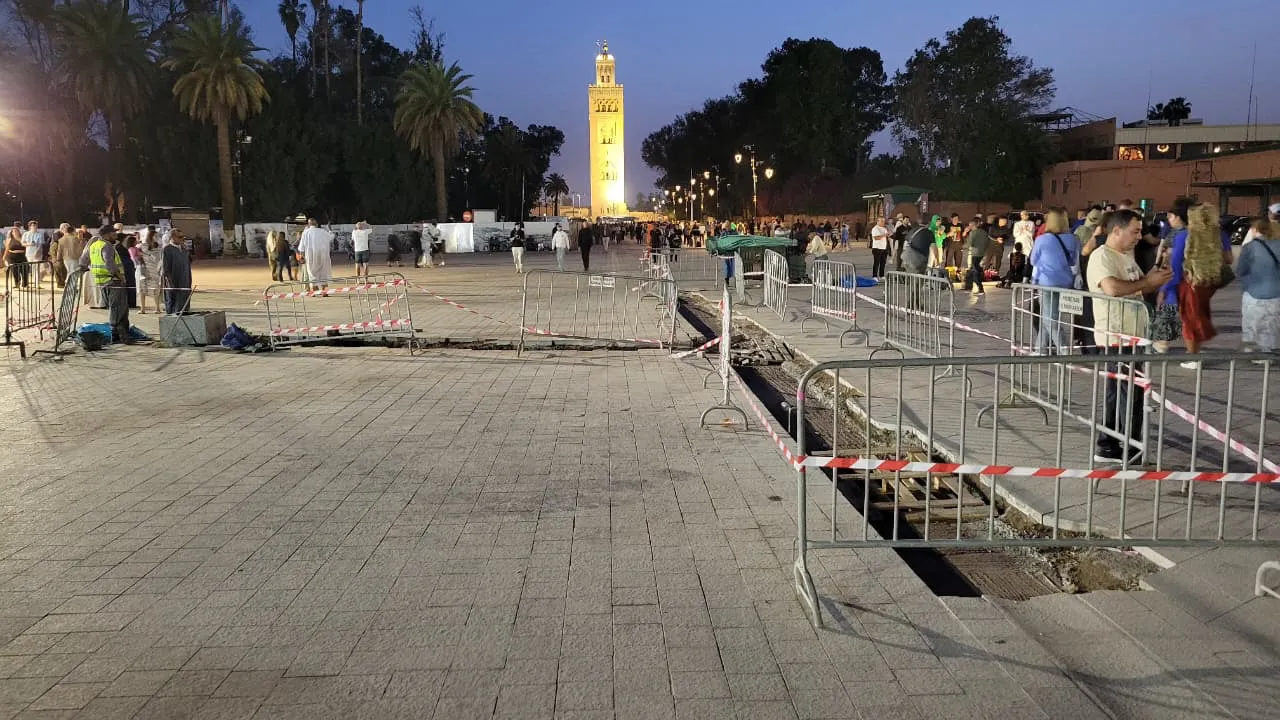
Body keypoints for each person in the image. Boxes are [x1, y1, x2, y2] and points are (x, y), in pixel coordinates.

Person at [1087, 209, 1172, 463]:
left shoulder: (1126, 256)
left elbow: (1138, 284)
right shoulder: (1102, 257)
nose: (1139, 236)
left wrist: (1154, 278)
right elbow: (1113, 288)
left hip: (1133, 335)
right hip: (1117, 337)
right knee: (1129, 395)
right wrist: (1147, 283)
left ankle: (1111, 446)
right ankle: (1128, 448)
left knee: (1123, 393)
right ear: (1116, 230)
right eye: (1134, 231)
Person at [1160, 203, 1230, 368]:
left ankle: (1192, 356)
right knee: (1199, 314)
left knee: (1189, 319)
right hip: (1209, 281)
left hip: (1190, 282)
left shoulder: (1185, 235)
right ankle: (1195, 350)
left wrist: (1165, 288)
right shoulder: (1220, 234)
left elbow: (1175, 265)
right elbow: (1229, 260)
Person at [1029, 209, 1081, 353]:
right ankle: (1040, 348)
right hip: (1066, 281)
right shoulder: (1073, 239)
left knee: (1049, 319)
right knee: (1049, 315)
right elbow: (1073, 261)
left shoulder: (1042, 239)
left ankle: (1064, 350)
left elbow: (1033, 260)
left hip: (1047, 282)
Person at [1237, 216, 1280, 353]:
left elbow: (1241, 270)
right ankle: (1269, 350)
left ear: (1255, 229)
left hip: (1254, 292)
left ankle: (1254, 351)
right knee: (1271, 324)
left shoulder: (1250, 247)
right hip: (1277, 292)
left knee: (1253, 324)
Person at [81, 225, 131, 341]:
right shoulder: (107, 246)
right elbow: (110, 265)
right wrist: (121, 277)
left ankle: (117, 333)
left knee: (114, 307)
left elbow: (84, 261)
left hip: (101, 281)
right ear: (107, 235)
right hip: (113, 280)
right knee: (119, 308)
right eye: (113, 234)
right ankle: (118, 334)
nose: (116, 236)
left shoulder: (94, 245)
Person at [161, 229, 193, 315]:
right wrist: (170, 283)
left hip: (185, 281)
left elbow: (188, 264)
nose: (182, 239)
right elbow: (165, 269)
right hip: (174, 282)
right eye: (180, 237)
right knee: (174, 306)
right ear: (172, 237)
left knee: (185, 306)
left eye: (183, 237)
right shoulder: (167, 249)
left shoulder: (184, 249)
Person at [297, 219, 334, 291]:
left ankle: (315, 291)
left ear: (308, 224)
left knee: (312, 273)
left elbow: (302, 246)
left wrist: (301, 256)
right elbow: (331, 237)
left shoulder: (306, 232)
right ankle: (324, 291)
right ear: (317, 224)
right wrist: (329, 229)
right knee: (323, 272)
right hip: (323, 255)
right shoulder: (322, 231)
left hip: (310, 256)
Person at [963, 216, 991, 295]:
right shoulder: (984, 232)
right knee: (974, 269)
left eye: (970, 226)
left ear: (973, 225)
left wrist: (963, 247)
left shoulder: (973, 233)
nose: (970, 227)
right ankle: (968, 287)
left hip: (975, 253)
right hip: (982, 253)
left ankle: (980, 288)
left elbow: (969, 244)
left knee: (975, 271)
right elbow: (987, 243)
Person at [137, 232, 162, 313]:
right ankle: (142, 309)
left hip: (155, 270)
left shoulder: (158, 247)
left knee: (155, 289)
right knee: (142, 290)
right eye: (155, 236)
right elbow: (140, 255)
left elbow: (158, 259)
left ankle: (158, 308)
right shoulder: (143, 246)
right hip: (145, 269)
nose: (157, 237)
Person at [21, 221, 46, 287]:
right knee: (32, 268)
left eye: (36, 226)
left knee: (37, 268)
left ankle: (37, 283)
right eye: (33, 226)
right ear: (30, 226)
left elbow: (40, 245)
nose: (34, 227)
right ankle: (34, 281)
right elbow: (23, 244)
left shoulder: (39, 234)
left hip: (37, 253)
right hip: (29, 253)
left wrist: (37, 252)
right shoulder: (26, 234)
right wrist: (29, 244)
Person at [4, 222, 29, 289]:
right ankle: (17, 283)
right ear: (11, 233)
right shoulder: (9, 240)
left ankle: (25, 284)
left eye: (16, 231)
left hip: (22, 256)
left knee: (23, 270)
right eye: (13, 231)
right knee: (15, 270)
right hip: (11, 257)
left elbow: (26, 246)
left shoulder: (22, 239)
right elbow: (7, 249)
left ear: (19, 232)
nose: (15, 232)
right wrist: (4, 257)